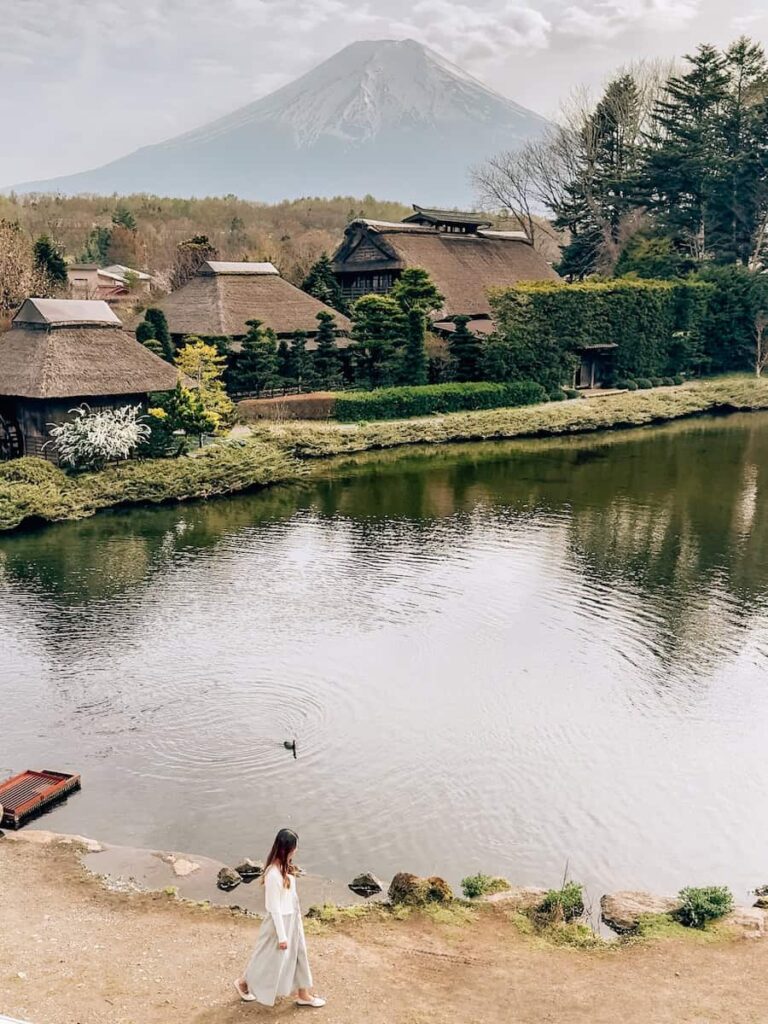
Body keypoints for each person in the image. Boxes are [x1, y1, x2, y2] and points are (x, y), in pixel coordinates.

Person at [234, 828, 325, 1008]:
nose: (296, 850)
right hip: (279, 924)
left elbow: (289, 897)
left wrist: (296, 918)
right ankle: (243, 982)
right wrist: (282, 937)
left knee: (300, 954)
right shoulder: (273, 874)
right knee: (267, 958)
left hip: (292, 918)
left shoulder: (284, 868)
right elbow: (274, 908)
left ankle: (303, 994)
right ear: (286, 849)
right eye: (294, 847)